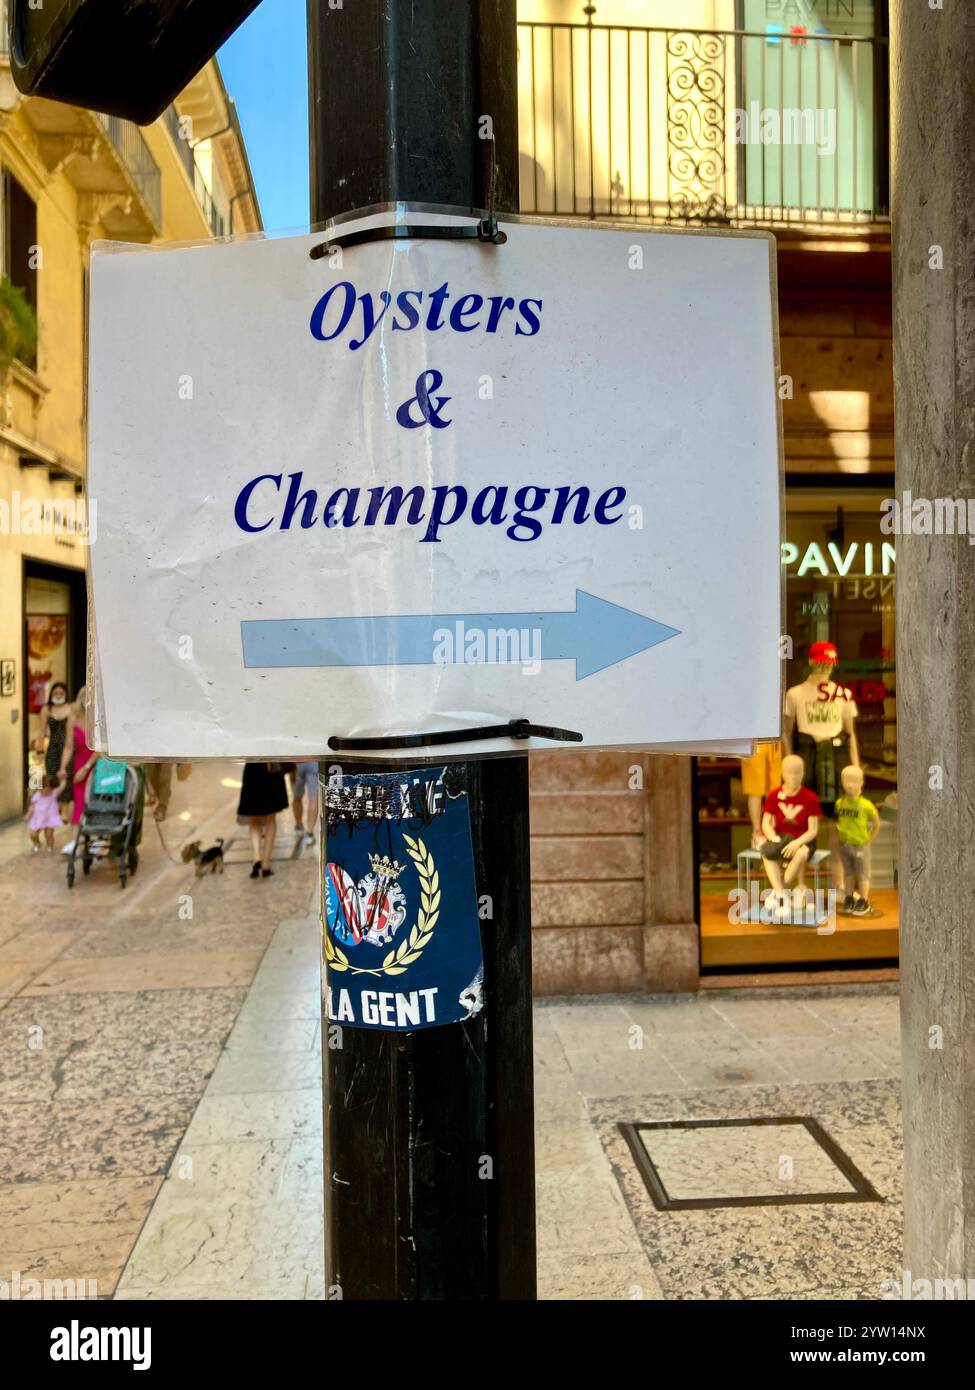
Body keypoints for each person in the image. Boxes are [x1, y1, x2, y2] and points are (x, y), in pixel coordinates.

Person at [759, 753, 822, 921]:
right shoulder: (774, 795)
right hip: (782, 838)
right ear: (782, 773)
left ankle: (782, 890)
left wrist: (797, 843)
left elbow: (813, 830)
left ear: (803, 774)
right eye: (789, 772)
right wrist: (772, 837)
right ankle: (781, 894)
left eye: (797, 773)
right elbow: (765, 823)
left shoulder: (810, 798)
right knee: (766, 853)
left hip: (803, 840)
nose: (793, 777)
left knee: (800, 853)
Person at [834, 764, 880, 915]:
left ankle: (864, 900)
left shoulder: (866, 805)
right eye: (847, 781)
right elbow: (838, 821)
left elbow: (876, 824)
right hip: (844, 844)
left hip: (860, 845)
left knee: (862, 873)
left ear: (861, 782)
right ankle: (849, 897)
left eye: (854, 781)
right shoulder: (840, 803)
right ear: (842, 782)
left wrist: (869, 840)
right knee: (848, 872)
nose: (850, 785)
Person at [59, 687, 100, 852]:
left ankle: (97, 840)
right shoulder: (73, 718)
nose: (86, 699)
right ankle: (75, 840)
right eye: (84, 695)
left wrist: (87, 767)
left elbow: (100, 749)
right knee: (79, 801)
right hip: (79, 763)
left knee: (96, 801)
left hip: (96, 764)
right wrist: (62, 767)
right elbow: (68, 747)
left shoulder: (98, 718)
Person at [238, 761, 290, 878]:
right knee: (271, 819)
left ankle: (257, 856)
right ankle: (266, 862)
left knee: (254, 818)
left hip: (252, 770)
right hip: (271, 768)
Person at [34, 680, 74, 823]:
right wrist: (39, 750)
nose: (58, 695)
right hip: (52, 748)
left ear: (65, 694)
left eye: (61, 693)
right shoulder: (46, 709)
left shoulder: (71, 709)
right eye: (55, 693)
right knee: (52, 777)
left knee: (66, 777)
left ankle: (64, 810)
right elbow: (42, 732)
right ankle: (53, 806)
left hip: (68, 747)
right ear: (51, 694)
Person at [27, 773, 62, 853]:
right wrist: (28, 814)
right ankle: (37, 843)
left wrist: (62, 779)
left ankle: (49, 847)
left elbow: (62, 786)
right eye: (41, 788)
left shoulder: (54, 794)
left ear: (51, 788)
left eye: (46, 788)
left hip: (50, 818)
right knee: (33, 834)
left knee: (49, 834)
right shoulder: (37, 795)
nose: (43, 790)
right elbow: (32, 806)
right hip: (38, 818)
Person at [291, 761, 319, 845]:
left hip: (295, 763)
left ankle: (299, 826)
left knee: (296, 797)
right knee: (313, 799)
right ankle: (309, 833)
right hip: (314, 762)